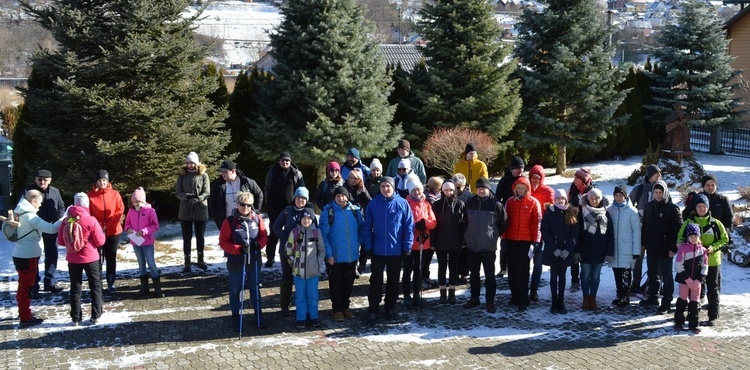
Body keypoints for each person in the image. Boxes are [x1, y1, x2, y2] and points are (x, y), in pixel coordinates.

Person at [363, 176, 414, 325]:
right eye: (383, 186)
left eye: (388, 186)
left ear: (393, 187)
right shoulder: (373, 204)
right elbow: (367, 226)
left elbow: (409, 227)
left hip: (395, 251)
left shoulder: (402, 203)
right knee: (375, 281)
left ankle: (390, 307)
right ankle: (373, 309)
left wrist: (407, 247)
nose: (386, 189)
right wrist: (368, 246)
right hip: (378, 250)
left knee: (393, 281)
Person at [218, 192, 268, 333]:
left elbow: (264, 235)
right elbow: (223, 242)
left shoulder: (257, 219)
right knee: (235, 290)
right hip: (236, 262)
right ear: (237, 204)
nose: (245, 207)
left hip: (254, 261)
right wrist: (238, 249)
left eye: (248, 205)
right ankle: (235, 316)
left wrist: (259, 244)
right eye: (242, 204)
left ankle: (258, 314)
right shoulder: (230, 221)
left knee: (255, 288)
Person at [11, 190, 62, 326]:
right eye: (39, 203)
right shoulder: (30, 216)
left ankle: (23, 311)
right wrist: (64, 219)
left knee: (22, 285)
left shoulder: (19, 211)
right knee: (27, 287)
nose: (39, 206)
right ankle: (25, 317)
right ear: (33, 201)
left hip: (20, 254)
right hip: (28, 256)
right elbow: (51, 229)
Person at [676, 194, 729, 327]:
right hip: (692, 264)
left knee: (713, 288)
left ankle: (713, 315)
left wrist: (713, 247)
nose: (701, 209)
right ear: (695, 207)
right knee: (694, 290)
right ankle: (692, 315)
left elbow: (725, 239)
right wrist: (684, 249)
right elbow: (680, 239)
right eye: (699, 206)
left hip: (712, 262)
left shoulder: (715, 223)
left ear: (708, 207)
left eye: (704, 206)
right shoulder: (689, 223)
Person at [320, 187, 367, 322]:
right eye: (338, 196)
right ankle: (337, 309)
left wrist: (359, 241)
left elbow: (362, 227)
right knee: (336, 285)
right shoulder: (328, 212)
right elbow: (324, 235)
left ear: (347, 197)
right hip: (335, 257)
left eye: (343, 196)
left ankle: (345, 307)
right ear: (334, 198)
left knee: (348, 284)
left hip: (351, 256)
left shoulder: (354, 211)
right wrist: (329, 254)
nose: (341, 198)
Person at [59, 193, 105, 325]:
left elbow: (61, 241)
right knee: (95, 286)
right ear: (87, 204)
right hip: (91, 258)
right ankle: (95, 315)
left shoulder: (67, 220)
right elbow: (100, 241)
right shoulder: (91, 220)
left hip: (73, 259)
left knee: (75, 287)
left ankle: (75, 317)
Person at [463, 178, 508, 313]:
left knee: (489, 275)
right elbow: (464, 221)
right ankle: (474, 298)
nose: (481, 190)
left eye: (484, 188)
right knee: (474, 274)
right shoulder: (470, 202)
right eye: (479, 188)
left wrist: (493, 235)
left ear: (489, 189)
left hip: (488, 246)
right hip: (472, 245)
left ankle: (490, 301)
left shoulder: (496, 205)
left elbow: (503, 223)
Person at [639, 180, 682, 314]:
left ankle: (667, 302)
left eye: (660, 192)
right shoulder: (649, 206)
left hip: (665, 248)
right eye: (656, 192)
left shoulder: (672, 208)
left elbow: (678, 230)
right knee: (652, 274)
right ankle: (653, 297)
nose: (658, 195)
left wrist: (673, 248)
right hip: (651, 247)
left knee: (666, 276)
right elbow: (645, 226)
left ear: (665, 193)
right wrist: (643, 242)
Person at [272, 187, 316, 316]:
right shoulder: (287, 211)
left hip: (305, 252)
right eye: (298, 197)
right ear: (294, 198)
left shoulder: (310, 212)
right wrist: (288, 238)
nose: (300, 200)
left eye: (303, 198)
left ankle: (303, 304)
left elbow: (315, 229)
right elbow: (276, 227)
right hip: (288, 250)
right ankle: (285, 304)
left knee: (303, 278)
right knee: (287, 277)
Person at [22, 169, 65, 295]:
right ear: (35, 179)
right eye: (39, 179)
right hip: (34, 229)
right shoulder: (28, 192)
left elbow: (61, 206)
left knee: (52, 254)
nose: (42, 182)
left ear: (50, 180)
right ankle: (34, 285)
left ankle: (49, 281)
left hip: (51, 228)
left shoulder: (55, 191)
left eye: (45, 180)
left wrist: (58, 219)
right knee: (35, 256)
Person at [503, 176, 542, 312]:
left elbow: (537, 223)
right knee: (512, 270)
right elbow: (505, 222)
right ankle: (514, 297)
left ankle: (523, 299)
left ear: (527, 189)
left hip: (526, 241)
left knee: (523, 271)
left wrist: (536, 241)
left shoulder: (533, 202)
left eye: (523, 188)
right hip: (512, 239)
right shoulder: (510, 202)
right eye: (518, 188)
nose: (520, 190)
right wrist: (503, 238)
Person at [285, 208, 325, 329]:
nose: (306, 221)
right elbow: (288, 251)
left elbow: (321, 250)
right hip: (298, 272)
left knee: (313, 295)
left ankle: (313, 316)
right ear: (300, 219)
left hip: (313, 271)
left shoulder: (316, 232)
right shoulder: (295, 232)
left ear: (312, 220)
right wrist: (293, 263)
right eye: (304, 218)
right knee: (300, 296)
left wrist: (318, 264)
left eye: (309, 218)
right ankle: (301, 317)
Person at [575, 189, 614, 311]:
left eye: (597, 198)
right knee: (585, 275)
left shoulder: (605, 214)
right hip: (585, 250)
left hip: (600, 250)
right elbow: (577, 234)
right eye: (592, 198)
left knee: (596, 276)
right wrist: (576, 251)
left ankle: (593, 298)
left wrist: (609, 252)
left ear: (601, 199)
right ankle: (586, 298)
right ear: (588, 199)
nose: (594, 201)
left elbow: (610, 235)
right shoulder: (581, 213)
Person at [264, 151, 305, 268]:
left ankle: (294, 255)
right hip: (275, 208)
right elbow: (267, 188)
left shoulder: (296, 173)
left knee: (294, 232)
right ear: (279, 161)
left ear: (290, 162)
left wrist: (299, 205)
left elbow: (302, 189)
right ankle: (270, 258)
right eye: (283, 160)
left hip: (291, 208)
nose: (285, 162)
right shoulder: (272, 172)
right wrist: (269, 202)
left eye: (287, 160)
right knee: (273, 233)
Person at [541, 189, 579, 314]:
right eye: (558, 198)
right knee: (553, 276)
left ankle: (561, 302)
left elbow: (574, 233)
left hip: (565, 250)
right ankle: (554, 302)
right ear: (554, 199)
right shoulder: (549, 212)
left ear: (565, 199)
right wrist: (554, 248)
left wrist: (568, 249)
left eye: (562, 198)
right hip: (553, 250)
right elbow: (545, 231)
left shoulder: (571, 212)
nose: (560, 200)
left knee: (562, 276)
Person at [88, 170, 125, 293]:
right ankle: (97, 282)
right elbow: (89, 213)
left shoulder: (115, 194)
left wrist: (110, 224)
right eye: (99, 180)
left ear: (107, 181)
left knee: (111, 256)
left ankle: (111, 282)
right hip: (97, 231)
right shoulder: (91, 195)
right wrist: (98, 226)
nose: (102, 183)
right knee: (97, 258)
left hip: (113, 231)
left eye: (104, 180)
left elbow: (119, 210)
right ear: (96, 182)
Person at [402, 175, 437, 307]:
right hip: (410, 243)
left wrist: (425, 223)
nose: (417, 192)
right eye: (414, 190)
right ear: (410, 192)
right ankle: (406, 294)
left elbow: (433, 222)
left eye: (418, 190)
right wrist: (415, 224)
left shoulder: (426, 204)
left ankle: (416, 293)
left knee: (419, 270)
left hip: (423, 242)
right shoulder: (405, 204)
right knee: (407, 270)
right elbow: (402, 222)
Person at [124, 187, 164, 298]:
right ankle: (144, 288)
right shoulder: (131, 211)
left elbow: (155, 226)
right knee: (141, 264)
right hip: (135, 242)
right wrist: (129, 229)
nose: (135, 203)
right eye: (133, 201)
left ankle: (157, 288)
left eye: (138, 201)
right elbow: (127, 223)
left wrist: (144, 231)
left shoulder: (150, 211)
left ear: (143, 201)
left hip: (147, 242)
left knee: (151, 263)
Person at [431, 180, 467, 304]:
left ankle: (452, 292)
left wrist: (463, 240)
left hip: (455, 242)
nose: (448, 192)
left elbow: (463, 224)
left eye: (451, 190)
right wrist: (433, 242)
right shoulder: (436, 205)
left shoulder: (460, 204)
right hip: (440, 242)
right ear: (442, 190)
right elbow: (434, 225)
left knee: (453, 268)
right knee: (442, 267)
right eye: (446, 190)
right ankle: (442, 293)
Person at [628, 164, 661, 295]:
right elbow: (628, 205)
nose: (658, 176)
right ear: (649, 175)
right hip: (640, 230)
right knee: (638, 259)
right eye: (656, 174)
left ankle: (650, 284)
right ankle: (635, 284)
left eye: (660, 173)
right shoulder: (639, 189)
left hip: (656, 231)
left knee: (654, 260)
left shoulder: (662, 189)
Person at [175, 153, 211, 272]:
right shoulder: (182, 176)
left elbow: (207, 192)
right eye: (188, 163)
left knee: (200, 237)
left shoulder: (203, 175)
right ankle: (187, 261)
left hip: (200, 210)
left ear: (197, 163)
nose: (189, 165)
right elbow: (178, 193)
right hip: (185, 211)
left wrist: (198, 198)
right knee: (187, 237)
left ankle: (201, 259)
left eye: (192, 163)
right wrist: (187, 196)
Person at [607, 185, 641, 307]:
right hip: (615, 248)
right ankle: (619, 293)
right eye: (616, 195)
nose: (618, 198)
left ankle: (625, 295)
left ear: (625, 197)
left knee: (625, 273)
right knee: (616, 272)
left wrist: (636, 250)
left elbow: (636, 232)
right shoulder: (610, 210)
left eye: (621, 195)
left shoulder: (632, 211)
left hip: (627, 248)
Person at [208, 160, 263, 229]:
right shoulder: (218, 185)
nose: (223, 174)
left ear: (233, 171)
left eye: (225, 172)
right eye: (221, 172)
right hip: (227, 222)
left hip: (246, 220)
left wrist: (257, 211)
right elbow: (212, 202)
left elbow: (259, 194)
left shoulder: (246, 182)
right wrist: (217, 217)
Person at [674, 223, 708, 333]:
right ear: (687, 237)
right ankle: (678, 322)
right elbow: (678, 265)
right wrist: (687, 279)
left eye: (695, 236)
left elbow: (705, 267)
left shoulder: (702, 251)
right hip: (684, 280)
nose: (693, 239)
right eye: (691, 236)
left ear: (699, 237)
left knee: (695, 302)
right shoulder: (683, 248)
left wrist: (698, 280)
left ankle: (694, 324)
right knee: (682, 300)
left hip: (696, 282)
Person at [528, 164, 555, 302]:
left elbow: (551, 212)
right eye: (533, 177)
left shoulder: (548, 192)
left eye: (538, 178)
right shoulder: (525, 189)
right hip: (526, 232)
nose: (535, 180)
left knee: (537, 263)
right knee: (524, 262)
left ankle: (534, 289)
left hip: (540, 233)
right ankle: (521, 288)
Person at [494, 155, 524, 278]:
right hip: (506, 214)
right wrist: (501, 211)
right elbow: (497, 198)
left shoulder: (523, 180)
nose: (520, 171)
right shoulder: (504, 180)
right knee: (504, 242)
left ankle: (516, 265)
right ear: (512, 169)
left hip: (520, 214)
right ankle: (503, 268)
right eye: (518, 169)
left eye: (522, 168)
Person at [342, 168, 371, 276]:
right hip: (348, 219)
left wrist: (363, 192)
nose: (353, 180)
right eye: (351, 178)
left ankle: (362, 265)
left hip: (361, 219)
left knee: (362, 242)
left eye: (355, 178)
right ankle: (351, 265)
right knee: (352, 243)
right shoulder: (344, 188)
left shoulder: (362, 189)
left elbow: (370, 202)